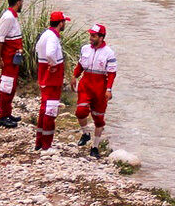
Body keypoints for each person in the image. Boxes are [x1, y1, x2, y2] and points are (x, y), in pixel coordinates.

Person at [72, 23, 117, 158]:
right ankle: (85, 133)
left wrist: (108, 90)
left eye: (93, 35)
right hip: (86, 83)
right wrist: (74, 76)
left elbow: (112, 74)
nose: (91, 38)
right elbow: (80, 65)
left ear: (101, 37)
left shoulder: (109, 52)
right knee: (80, 112)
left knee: (98, 119)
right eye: (90, 35)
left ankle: (95, 147)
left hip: (100, 86)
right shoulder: (85, 49)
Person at [34, 11, 70, 150]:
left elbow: (38, 50)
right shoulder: (53, 37)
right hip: (52, 79)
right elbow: (49, 53)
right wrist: (53, 64)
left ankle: (39, 142)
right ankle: (46, 145)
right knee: (51, 110)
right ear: (60, 23)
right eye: (64, 22)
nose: (64, 24)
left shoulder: (45, 34)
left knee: (44, 108)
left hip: (45, 76)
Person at [0, 0, 24, 129]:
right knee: (6, 86)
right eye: (22, 2)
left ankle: (8, 113)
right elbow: (0, 39)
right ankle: (3, 117)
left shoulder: (12, 16)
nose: (22, 5)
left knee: (11, 87)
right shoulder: (8, 17)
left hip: (13, 59)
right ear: (18, 2)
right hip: (8, 58)